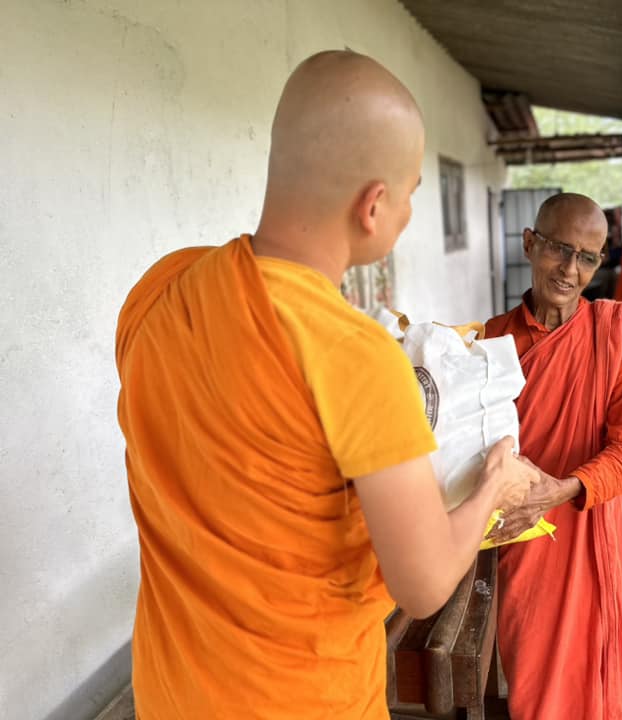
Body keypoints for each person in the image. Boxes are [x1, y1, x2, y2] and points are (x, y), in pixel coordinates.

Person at [115, 51, 535, 720]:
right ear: (373, 206)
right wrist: (494, 487)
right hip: (298, 697)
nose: (407, 212)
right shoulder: (357, 356)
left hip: (171, 688)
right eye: (411, 194)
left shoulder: (163, 289)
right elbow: (423, 584)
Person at [484, 193, 622, 720]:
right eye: (560, 249)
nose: (570, 269)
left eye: (587, 257)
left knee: (606, 677)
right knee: (537, 680)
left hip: (595, 521)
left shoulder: (618, 332)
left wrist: (565, 488)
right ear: (531, 244)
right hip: (529, 538)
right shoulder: (491, 342)